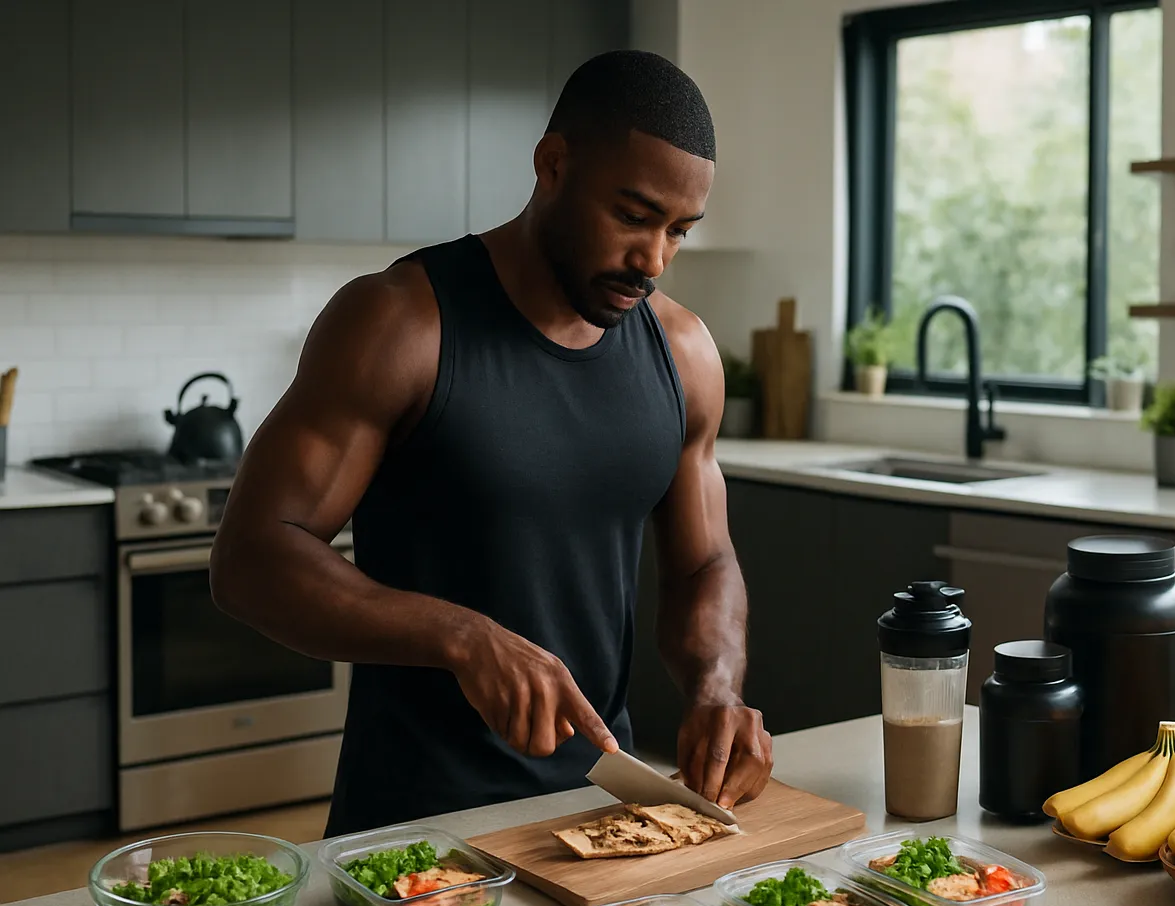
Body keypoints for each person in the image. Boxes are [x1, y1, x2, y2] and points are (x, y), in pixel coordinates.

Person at [209, 50, 772, 839]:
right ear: (552, 165)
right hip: (414, 828)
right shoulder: (401, 323)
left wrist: (716, 688)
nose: (654, 258)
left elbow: (704, 562)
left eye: (679, 230)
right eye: (634, 216)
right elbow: (251, 557)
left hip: (602, 817)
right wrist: (461, 636)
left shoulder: (684, 354)